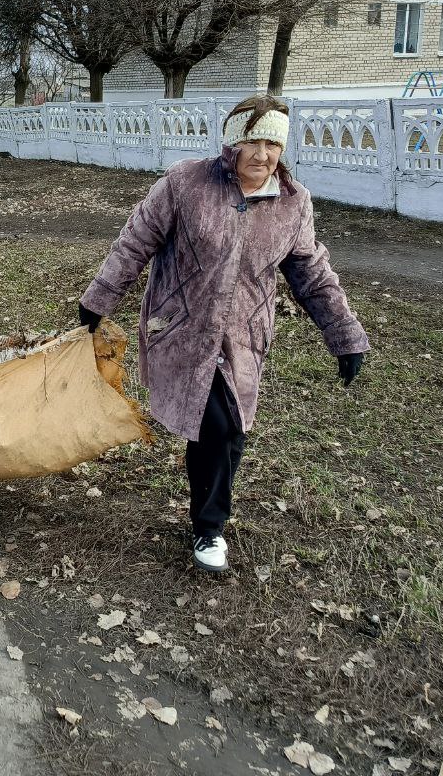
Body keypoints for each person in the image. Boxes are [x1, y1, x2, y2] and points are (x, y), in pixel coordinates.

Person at [77, 94, 369, 573]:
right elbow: (136, 242)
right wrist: (98, 300)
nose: (262, 155)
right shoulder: (184, 183)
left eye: (273, 143)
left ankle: (207, 519)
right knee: (219, 426)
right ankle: (209, 529)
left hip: (243, 336)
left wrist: (346, 336)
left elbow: (311, 273)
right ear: (232, 144)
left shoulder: (293, 204)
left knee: (227, 431)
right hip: (181, 327)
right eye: (253, 142)